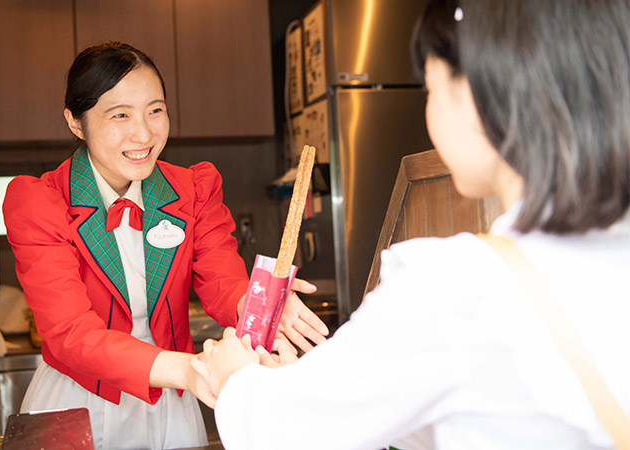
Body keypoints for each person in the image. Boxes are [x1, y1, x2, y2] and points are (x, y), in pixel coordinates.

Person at [191, 0, 630, 449]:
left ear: (477, 97)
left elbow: (286, 433)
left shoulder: (454, 286)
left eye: (431, 89)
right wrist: (311, 390)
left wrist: (235, 380)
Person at [2, 41, 329, 449]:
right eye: (120, 115)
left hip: (172, 403)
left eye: (155, 111)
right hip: (77, 401)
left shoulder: (193, 190)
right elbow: (70, 333)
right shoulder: (40, 202)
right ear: (76, 122)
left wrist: (259, 304)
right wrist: (190, 370)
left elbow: (223, 280)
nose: (144, 133)